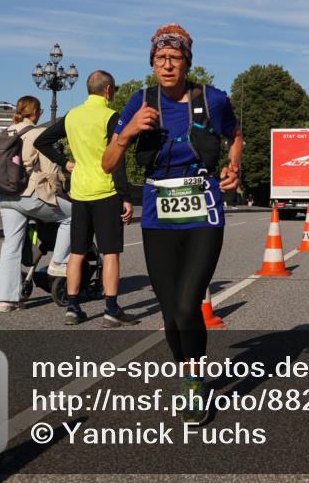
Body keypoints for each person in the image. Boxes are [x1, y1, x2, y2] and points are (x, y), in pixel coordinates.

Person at [101, 23, 242, 425]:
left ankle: (197, 382)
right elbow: (107, 163)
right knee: (168, 309)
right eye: (160, 58)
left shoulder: (212, 100)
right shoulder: (138, 101)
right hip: (158, 212)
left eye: (175, 58)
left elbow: (235, 135)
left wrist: (234, 168)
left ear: (186, 62)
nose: (167, 65)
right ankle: (187, 373)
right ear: (152, 62)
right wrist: (126, 132)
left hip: (203, 208)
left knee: (186, 302)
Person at [36, 71, 137, 328]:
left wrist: (66, 163)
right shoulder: (111, 117)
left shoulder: (73, 115)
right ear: (108, 90)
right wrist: (126, 196)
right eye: (113, 90)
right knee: (110, 252)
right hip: (105, 191)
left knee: (77, 252)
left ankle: (72, 307)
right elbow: (117, 159)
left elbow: (42, 140)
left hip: (79, 192)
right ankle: (111, 310)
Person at [0, 97, 72, 313]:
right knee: (72, 216)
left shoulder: (4, 134)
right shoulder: (37, 134)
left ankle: (6, 300)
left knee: (10, 245)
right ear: (36, 113)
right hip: (29, 195)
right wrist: (61, 193)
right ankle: (58, 263)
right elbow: (51, 172)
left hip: (5, 197)